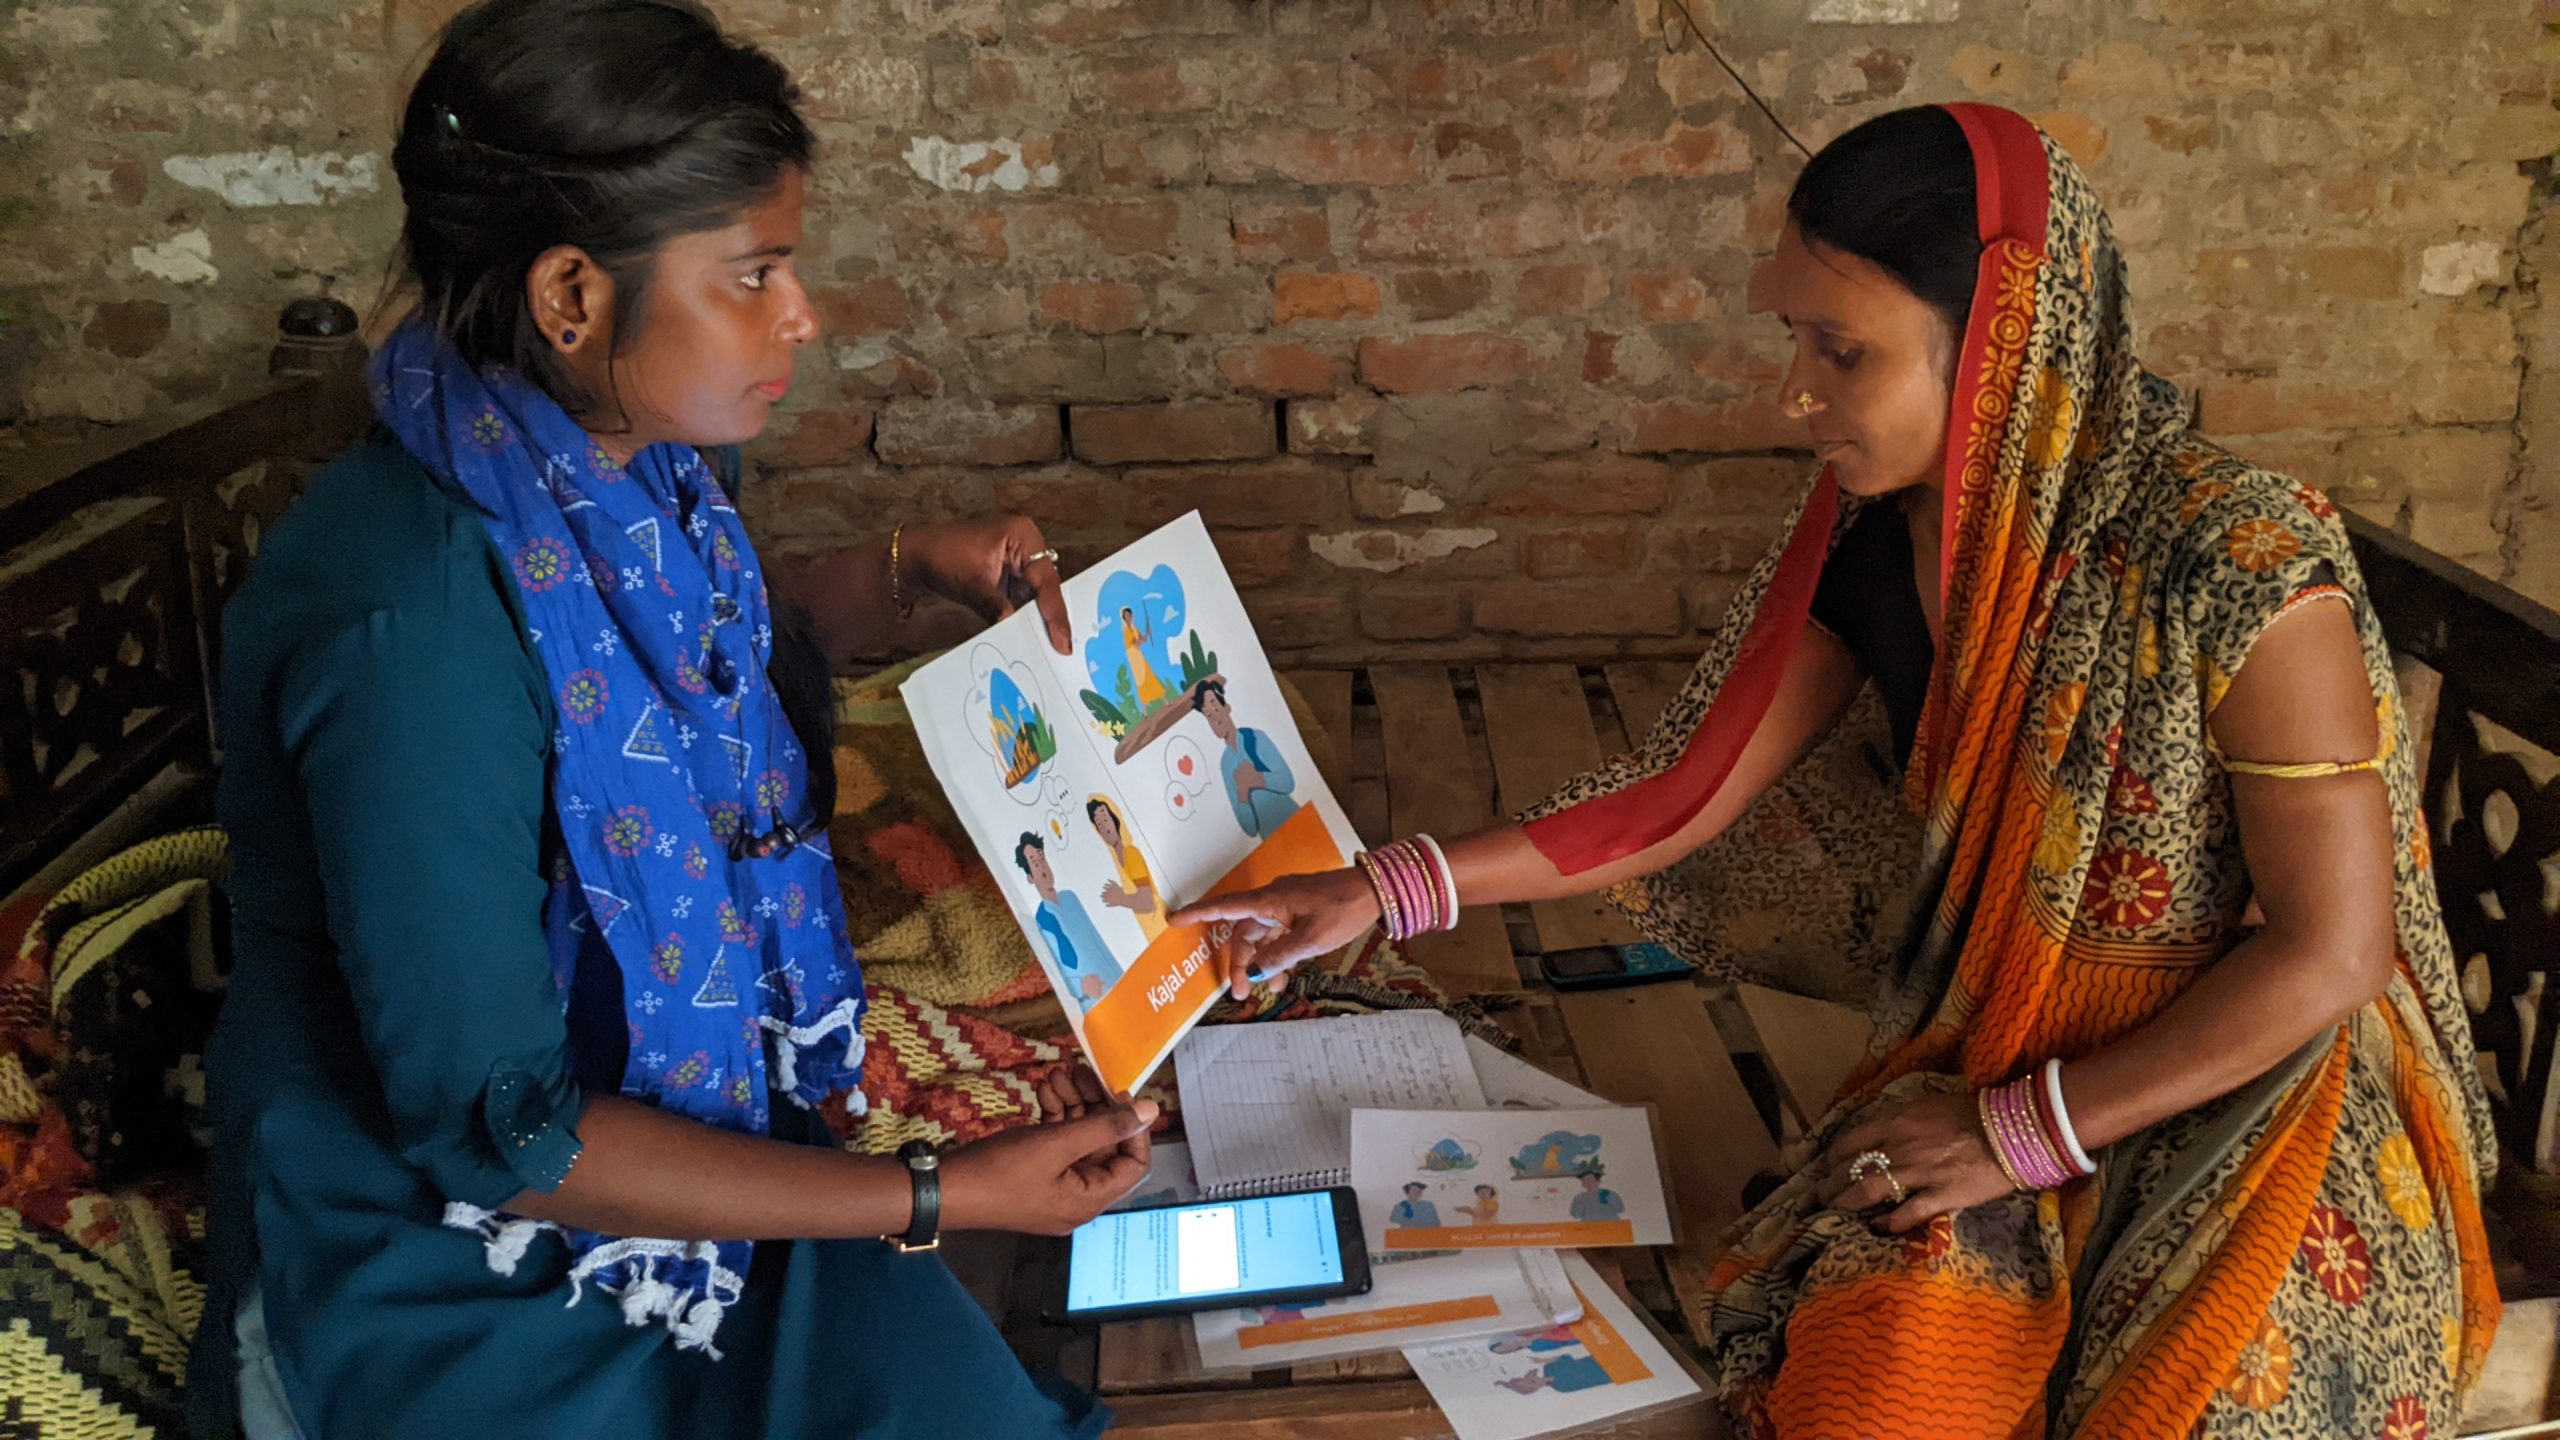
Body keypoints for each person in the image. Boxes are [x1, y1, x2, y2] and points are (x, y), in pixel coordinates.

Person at [1175, 103, 2498, 1438]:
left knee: (2205, 1400)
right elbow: (1682, 795)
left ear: (1998, 349)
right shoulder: (1883, 542)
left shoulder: (2242, 565)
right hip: (2001, 1053)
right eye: (1795, 341)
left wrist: (2018, 1136)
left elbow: (2332, 960)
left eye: (1840, 351)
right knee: (1877, 1387)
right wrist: (1376, 893)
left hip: (2246, 1091)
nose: (1794, 395)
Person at [191, 4, 1159, 1436]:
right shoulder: (412, 629)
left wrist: (904, 576)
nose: (801, 315)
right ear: (572, 295)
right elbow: (497, 1131)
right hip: (466, 1254)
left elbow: (691, 687)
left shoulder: (605, 473)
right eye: (754, 274)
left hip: (669, 1124)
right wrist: (936, 1195)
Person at [1017, 833, 1123, 1009]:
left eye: (1042, 859)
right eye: (1035, 863)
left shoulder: (1070, 898)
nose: (1043, 867)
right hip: (1093, 999)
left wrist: (1118, 971)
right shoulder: (1042, 919)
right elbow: (1057, 967)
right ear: (1030, 877)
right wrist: (1080, 987)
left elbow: (1096, 937)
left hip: (1114, 976)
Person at [1193, 678, 1300, 838]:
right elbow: (1249, 829)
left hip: (1297, 821)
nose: (1215, 719)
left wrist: (1258, 779)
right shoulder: (1226, 764)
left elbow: (1288, 782)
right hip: (1271, 840)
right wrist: (1243, 792)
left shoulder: (1256, 738)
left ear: (1226, 707)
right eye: (1208, 716)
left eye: (1215, 708)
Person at [1087, 797, 1165, 940]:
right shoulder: (1117, 864)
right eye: (1099, 824)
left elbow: (1148, 903)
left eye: (1105, 818)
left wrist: (1120, 898)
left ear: (1115, 818)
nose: (1105, 827)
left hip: (1161, 926)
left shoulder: (1131, 853)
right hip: (1151, 935)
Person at [1119, 603, 1170, 712]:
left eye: (1129, 615)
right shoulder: (1126, 631)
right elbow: (1137, 643)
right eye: (1126, 616)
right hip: (1134, 659)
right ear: (1124, 619)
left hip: (1139, 657)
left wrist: (1147, 631)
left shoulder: (1134, 628)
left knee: (1150, 677)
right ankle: (1145, 711)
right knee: (1142, 683)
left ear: (1132, 616)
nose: (1128, 618)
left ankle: (1165, 701)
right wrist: (1145, 636)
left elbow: (1143, 639)